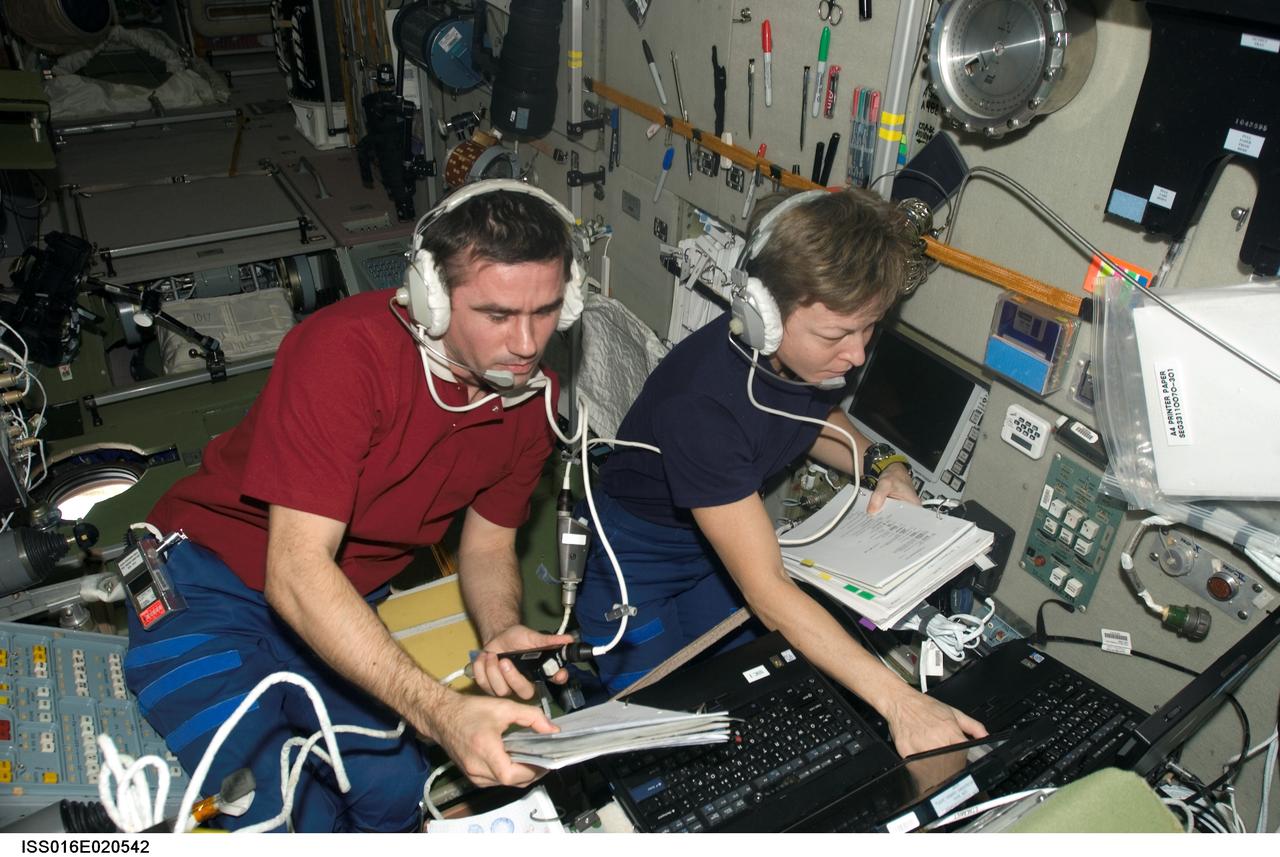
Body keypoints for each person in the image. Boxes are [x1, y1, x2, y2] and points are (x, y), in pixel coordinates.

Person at [122, 180, 583, 831]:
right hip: (208, 584)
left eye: (547, 311)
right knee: (274, 809)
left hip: (340, 598)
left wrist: (501, 628)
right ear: (432, 297)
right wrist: (439, 712)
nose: (528, 343)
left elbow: (487, 545)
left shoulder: (533, 399)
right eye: (499, 315)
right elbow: (296, 571)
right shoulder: (344, 353)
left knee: (395, 793)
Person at [574, 188, 986, 756]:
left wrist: (884, 466)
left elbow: (813, 418)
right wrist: (900, 702)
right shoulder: (701, 408)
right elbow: (766, 588)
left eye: (869, 329)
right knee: (660, 739)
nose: (856, 356)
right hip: (636, 567)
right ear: (762, 315)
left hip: (712, 556)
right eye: (836, 336)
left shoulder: (796, 364)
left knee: (750, 698)